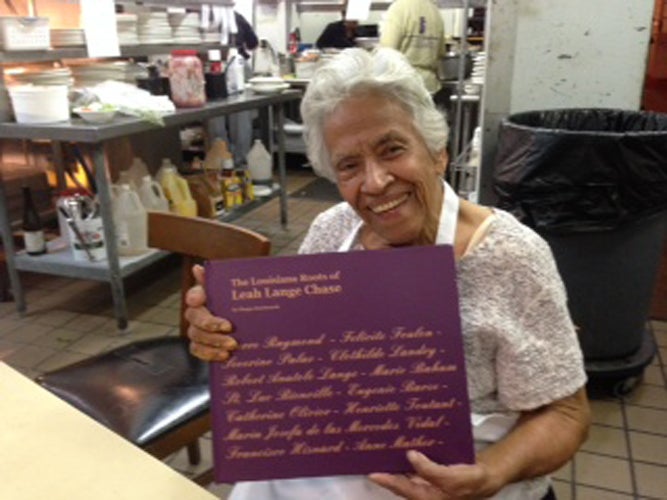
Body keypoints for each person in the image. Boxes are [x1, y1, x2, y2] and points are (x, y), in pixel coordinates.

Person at [185, 48, 591, 499]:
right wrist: (226, 337)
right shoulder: (331, 230)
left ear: (438, 152)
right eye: (349, 166)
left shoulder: (510, 257)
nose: (375, 182)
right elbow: (291, 364)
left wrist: (490, 473)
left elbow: (567, 415)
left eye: (392, 149)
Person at [207, 11, 259, 169]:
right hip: (235, 66)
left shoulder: (197, 17)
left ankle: (222, 162)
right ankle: (239, 163)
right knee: (240, 113)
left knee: (215, 115)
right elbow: (253, 43)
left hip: (215, 67)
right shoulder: (234, 15)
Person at [379, 0, 446, 95]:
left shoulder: (398, 8)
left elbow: (386, 53)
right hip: (429, 85)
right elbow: (441, 52)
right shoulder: (435, 11)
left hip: (404, 87)